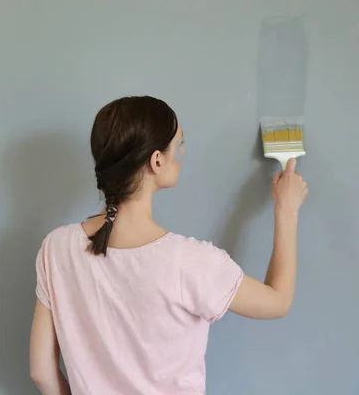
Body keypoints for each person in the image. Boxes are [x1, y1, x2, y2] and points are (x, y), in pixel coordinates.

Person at [29, 96, 308, 395]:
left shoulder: (56, 248)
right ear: (157, 161)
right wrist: (287, 209)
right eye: (179, 143)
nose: (182, 152)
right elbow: (277, 301)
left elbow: (42, 372)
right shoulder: (190, 261)